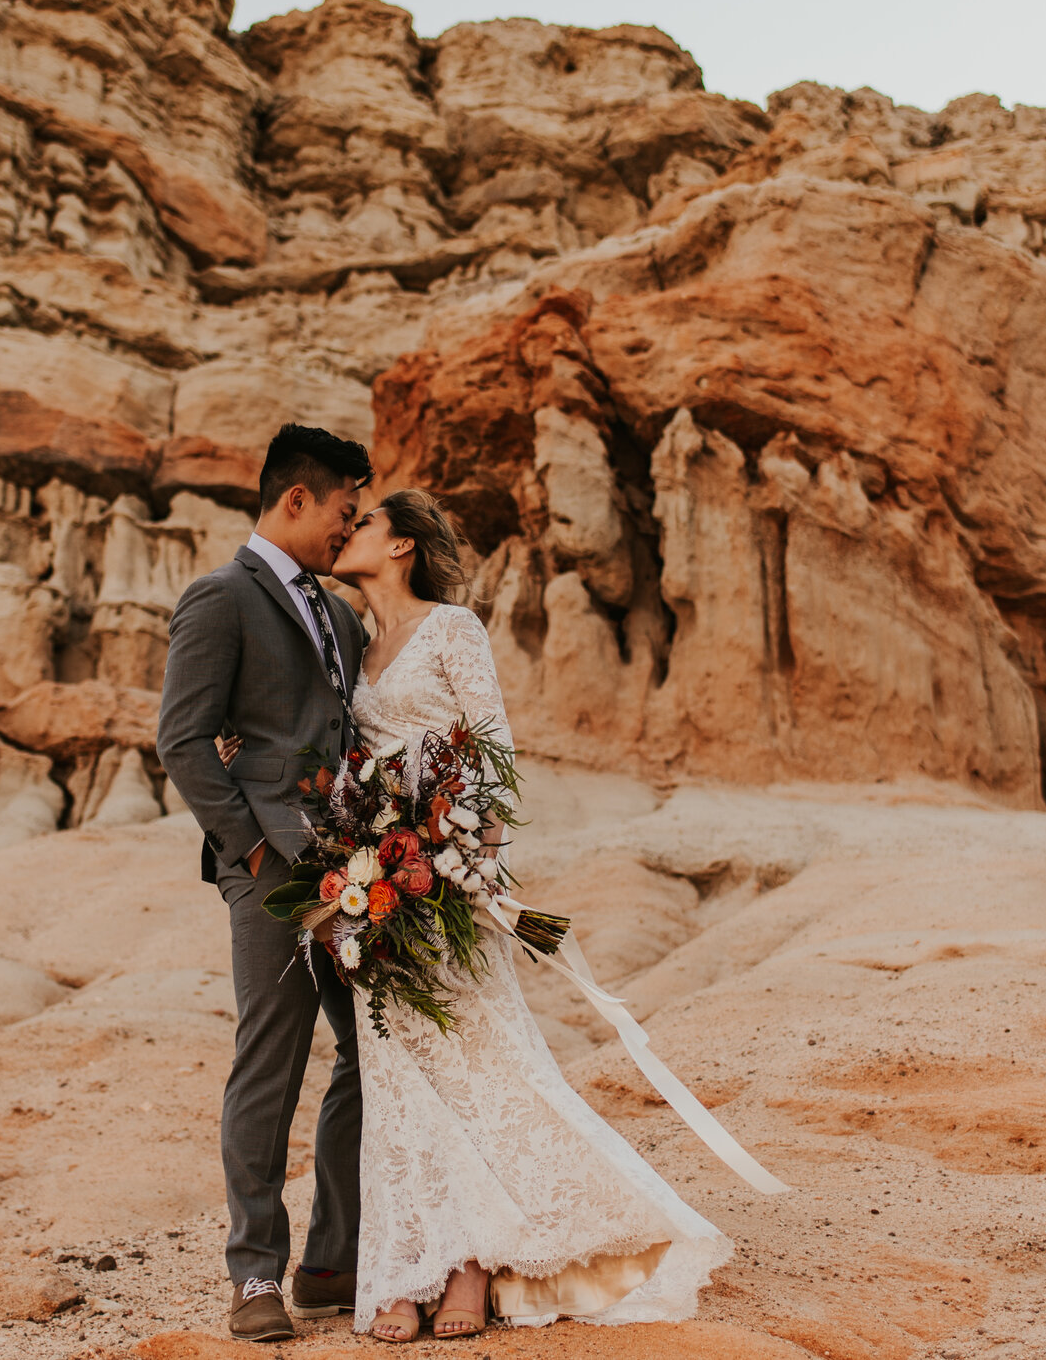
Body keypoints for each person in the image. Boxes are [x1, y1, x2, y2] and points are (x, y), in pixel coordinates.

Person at [328, 488, 731, 1341]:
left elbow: (492, 748)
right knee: (400, 1080)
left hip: (448, 882)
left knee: (475, 1063)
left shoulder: (452, 629)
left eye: (362, 521)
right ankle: (408, 1266)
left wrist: (457, 859)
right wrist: (356, 863)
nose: (344, 528)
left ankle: (473, 1265)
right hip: (377, 889)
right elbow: (353, 768)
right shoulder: (358, 648)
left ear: (401, 546)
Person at [155, 423, 374, 1342]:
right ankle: (255, 1274)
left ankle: (330, 1261)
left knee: (375, 1056)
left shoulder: (339, 614)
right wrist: (251, 854)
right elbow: (183, 737)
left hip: (352, 874)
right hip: (272, 878)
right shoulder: (220, 598)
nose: (347, 529)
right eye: (342, 511)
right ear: (295, 499)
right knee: (271, 1067)